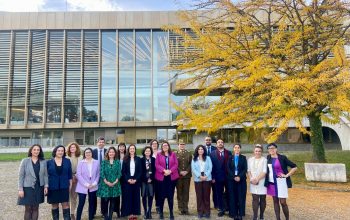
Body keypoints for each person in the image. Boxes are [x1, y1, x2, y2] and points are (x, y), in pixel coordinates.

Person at [265, 143, 297, 220]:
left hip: (281, 183)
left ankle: (287, 219)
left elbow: (294, 167)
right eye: (269, 148)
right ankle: (278, 218)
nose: (271, 150)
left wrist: (286, 175)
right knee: (275, 202)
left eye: (273, 148)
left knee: (283, 202)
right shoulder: (268, 157)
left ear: (276, 149)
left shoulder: (282, 158)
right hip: (271, 183)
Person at [18, 144, 48, 220]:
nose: (36, 151)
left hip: (39, 187)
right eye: (34, 149)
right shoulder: (25, 161)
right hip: (27, 188)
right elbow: (21, 176)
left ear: (40, 151)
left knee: (35, 208)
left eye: (38, 150)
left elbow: (45, 175)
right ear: (31, 151)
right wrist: (20, 189)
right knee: (28, 208)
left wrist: (46, 186)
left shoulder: (43, 162)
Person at [47, 145, 72, 220]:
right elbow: (45, 175)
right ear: (55, 151)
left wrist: (70, 185)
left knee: (66, 205)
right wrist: (46, 186)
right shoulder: (48, 162)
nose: (60, 152)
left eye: (62, 151)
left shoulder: (67, 161)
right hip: (52, 187)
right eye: (59, 150)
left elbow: (69, 175)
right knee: (54, 205)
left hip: (64, 186)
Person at [155, 141, 179, 220]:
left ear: (168, 146)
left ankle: (171, 213)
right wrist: (164, 171)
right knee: (161, 196)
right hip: (161, 178)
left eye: (166, 145)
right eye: (163, 145)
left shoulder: (173, 154)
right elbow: (157, 165)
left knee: (170, 196)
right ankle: (161, 213)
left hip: (171, 178)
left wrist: (170, 171)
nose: (165, 146)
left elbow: (176, 164)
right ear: (161, 147)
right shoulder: (158, 154)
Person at [75, 148, 100, 220]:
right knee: (81, 203)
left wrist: (94, 183)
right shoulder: (81, 163)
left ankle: (90, 217)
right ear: (84, 154)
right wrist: (86, 184)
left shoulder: (96, 162)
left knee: (92, 203)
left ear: (92, 153)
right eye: (86, 152)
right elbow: (78, 175)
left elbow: (98, 174)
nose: (88, 154)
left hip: (93, 186)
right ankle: (78, 218)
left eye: (89, 152)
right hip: (82, 186)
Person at [97, 147, 121, 220]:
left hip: (115, 185)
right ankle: (106, 216)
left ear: (115, 153)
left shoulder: (117, 162)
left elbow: (119, 173)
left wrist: (115, 182)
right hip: (105, 185)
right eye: (110, 152)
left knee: (113, 202)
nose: (111, 153)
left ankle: (110, 216)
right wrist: (107, 182)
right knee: (105, 201)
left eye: (113, 152)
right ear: (107, 153)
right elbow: (101, 173)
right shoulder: (104, 162)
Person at [209, 138, 231, 217]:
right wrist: (213, 177)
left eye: (222, 142)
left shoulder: (229, 153)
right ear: (216, 144)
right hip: (217, 177)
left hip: (228, 177)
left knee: (229, 192)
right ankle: (221, 208)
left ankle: (228, 207)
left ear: (223, 143)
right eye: (219, 142)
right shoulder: (212, 154)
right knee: (219, 193)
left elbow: (231, 165)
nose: (220, 143)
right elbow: (211, 167)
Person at [191, 145, 212, 219]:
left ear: (204, 150)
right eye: (199, 149)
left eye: (202, 149)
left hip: (207, 178)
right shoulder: (194, 159)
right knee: (199, 196)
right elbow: (193, 169)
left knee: (206, 196)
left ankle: (207, 212)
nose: (200, 150)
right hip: (198, 178)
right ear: (197, 150)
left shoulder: (208, 158)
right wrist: (200, 176)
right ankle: (200, 212)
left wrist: (205, 176)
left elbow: (210, 167)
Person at [227, 144, 247, 220]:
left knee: (241, 197)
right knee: (233, 196)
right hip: (231, 180)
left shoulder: (243, 158)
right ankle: (233, 213)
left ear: (240, 149)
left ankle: (240, 213)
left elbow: (245, 169)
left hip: (241, 180)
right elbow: (228, 168)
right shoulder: (230, 157)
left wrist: (239, 176)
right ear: (233, 149)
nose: (237, 149)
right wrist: (234, 177)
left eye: (238, 147)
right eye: (235, 147)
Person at [121, 144, 142, 220]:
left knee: (136, 197)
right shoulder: (125, 159)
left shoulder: (138, 159)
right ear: (128, 150)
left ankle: (135, 213)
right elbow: (123, 172)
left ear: (135, 150)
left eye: (133, 149)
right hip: (127, 181)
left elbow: (140, 171)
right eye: (131, 149)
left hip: (136, 180)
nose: (132, 150)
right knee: (128, 198)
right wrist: (128, 179)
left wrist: (136, 179)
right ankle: (128, 213)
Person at [248, 144, 267, 220]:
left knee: (262, 199)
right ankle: (255, 216)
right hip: (253, 181)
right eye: (256, 151)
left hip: (262, 182)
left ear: (261, 152)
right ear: (254, 151)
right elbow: (248, 170)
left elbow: (264, 171)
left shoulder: (264, 160)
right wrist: (252, 179)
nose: (257, 152)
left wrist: (257, 179)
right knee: (255, 199)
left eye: (259, 151)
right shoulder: (250, 159)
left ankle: (261, 215)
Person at [175, 140, 192, 215]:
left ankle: (186, 208)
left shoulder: (189, 153)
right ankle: (180, 208)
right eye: (180, 144)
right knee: (179, 192)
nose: (182, 145)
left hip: (187, 176)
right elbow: (174, 164)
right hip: (178, 176)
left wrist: (187, 171)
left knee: (186, 192)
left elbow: (191, 164)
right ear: (178, 145)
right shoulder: (175, 154)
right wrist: (180, 171)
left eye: (183, 144)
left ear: (185, 145)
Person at [66, 142, 82, 220]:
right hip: (68, 179)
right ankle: (67, 212)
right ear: (69, 149)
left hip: (77, 179)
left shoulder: (81, 157)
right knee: (67, 196)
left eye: (74, 147)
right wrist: (71, 177)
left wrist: (76, 176)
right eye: (71, 147)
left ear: (77, 148)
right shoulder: (65, 157)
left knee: (74, 197)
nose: (72, 148)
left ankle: (72, 213)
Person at [92, 136, 107, 218]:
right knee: (93, 196)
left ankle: (103, 212)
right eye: (99, 142)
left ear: (104, 143)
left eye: (102, 142)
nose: (101, 143)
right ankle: (93, 212)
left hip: (104, 177)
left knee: (104, 195)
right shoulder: (92, 152)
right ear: (97, 143)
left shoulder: (107, 152)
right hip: (94, 177)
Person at [141, 146, 156, 219]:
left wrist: (151, 179)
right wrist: (145, 179)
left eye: (149, 151)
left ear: (151, 152)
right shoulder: (141, 160)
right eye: (146, 151)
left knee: (150, 196)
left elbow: (155, 171)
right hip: (144, 181)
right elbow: (140, 171)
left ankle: (149, 211)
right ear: (144, 152)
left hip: (152, 181)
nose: (147, 152)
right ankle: (145, 211)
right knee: (144, 196)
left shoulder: (153, 159)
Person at [204, 136, 217, 209]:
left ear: (211, 141)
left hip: (214, 173)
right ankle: (207, 205)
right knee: (206, 191)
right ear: (204, 141)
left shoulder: (215, 149)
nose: (208, 141)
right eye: (206, 140)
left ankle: (216, 205)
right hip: (205, 174)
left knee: (215, 191)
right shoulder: (201, 149)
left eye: (209, 140)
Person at [149, 139, 161, 214]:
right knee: (150, 192)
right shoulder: (149, 153)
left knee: (158, 192)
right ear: (151, 145)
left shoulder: (160, 153)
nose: (154, 145)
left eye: (156, 143)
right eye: (153, 143)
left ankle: (158, 207)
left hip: (159, 176)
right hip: (151, 176)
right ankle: (149, 208)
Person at [116, 142, 126, 217]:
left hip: (125, 178)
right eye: (120, 146)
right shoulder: (116, 156)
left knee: (124, 195)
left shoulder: (127, 156)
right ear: (118, 148)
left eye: (123, 147)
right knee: (117, 196)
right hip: (117, 178)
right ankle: (117, 211)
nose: (122, 148)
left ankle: (124, 210)